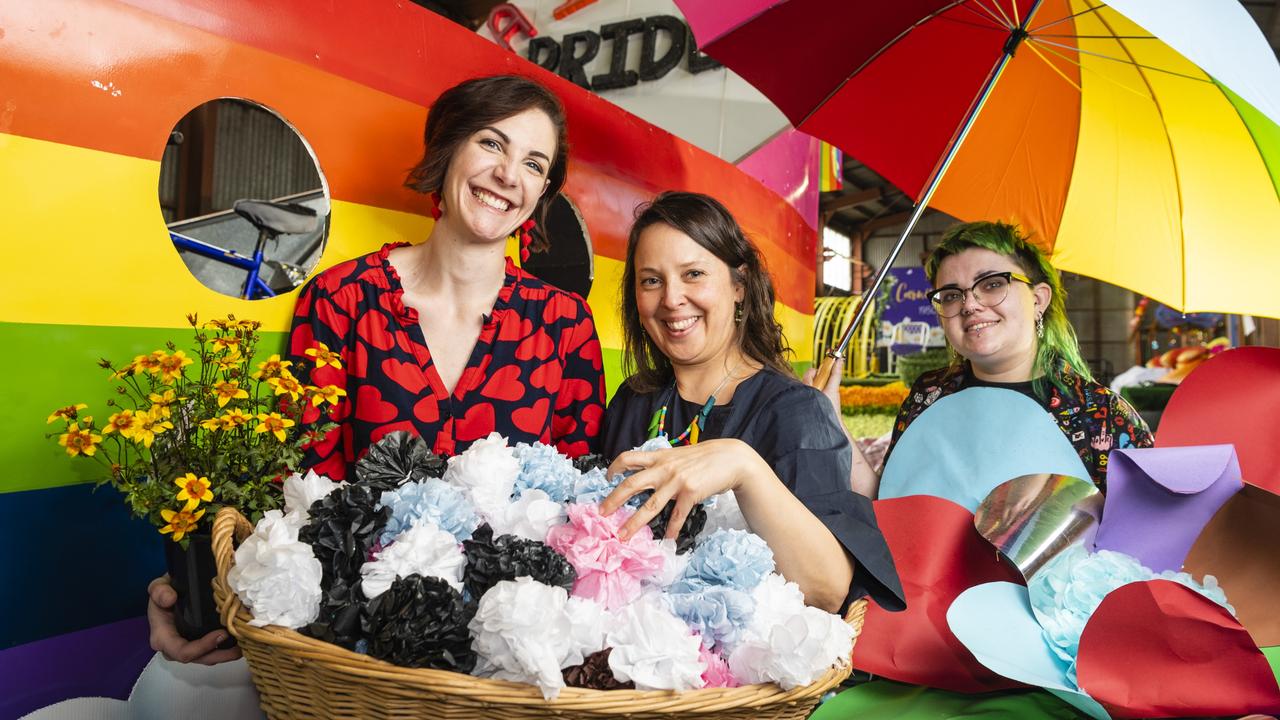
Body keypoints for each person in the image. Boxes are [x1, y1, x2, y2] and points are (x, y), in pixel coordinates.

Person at [147, 74, 607, 666]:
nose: (508, 175)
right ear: (447, 150)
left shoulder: (565, 325)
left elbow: (579, 511)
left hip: (507, 658)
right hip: (353, 648)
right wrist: (200, 593)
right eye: (492, 144)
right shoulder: (342, 300)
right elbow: (298, 493)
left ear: (542, 190)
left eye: (534, 163)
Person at [599, 191, 903, 614]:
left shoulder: (796, 410)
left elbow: (829, 589)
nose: (671, 299)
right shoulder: (633, 401)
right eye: (652, 280)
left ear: (739, 285)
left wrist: (745, 468)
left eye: (693, 274)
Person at [832, 220, 1153, 497]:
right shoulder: (929, 396)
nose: (970, 304)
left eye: (993, 284)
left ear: (1038, 299)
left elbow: (1141, 537)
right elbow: (889, 502)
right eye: (952, 295)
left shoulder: (1100, 415)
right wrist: (830, 416)